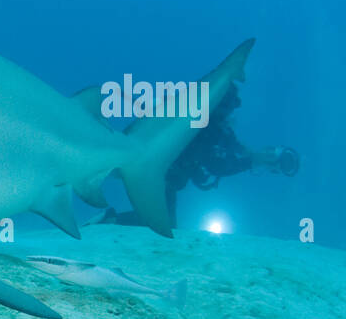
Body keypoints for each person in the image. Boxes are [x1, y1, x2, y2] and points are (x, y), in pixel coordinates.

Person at [91, 86, 299, 227]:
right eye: (230, 107)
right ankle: (109, 220)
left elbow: (233, 145)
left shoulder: (212, 125)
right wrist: (250, 161)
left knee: (109, 168)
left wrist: (256, 157)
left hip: (160, 168)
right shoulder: (207, 127)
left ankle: (108, 218)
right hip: (161, 173)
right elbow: (217, 166)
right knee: (162, 222)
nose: (231, 114)